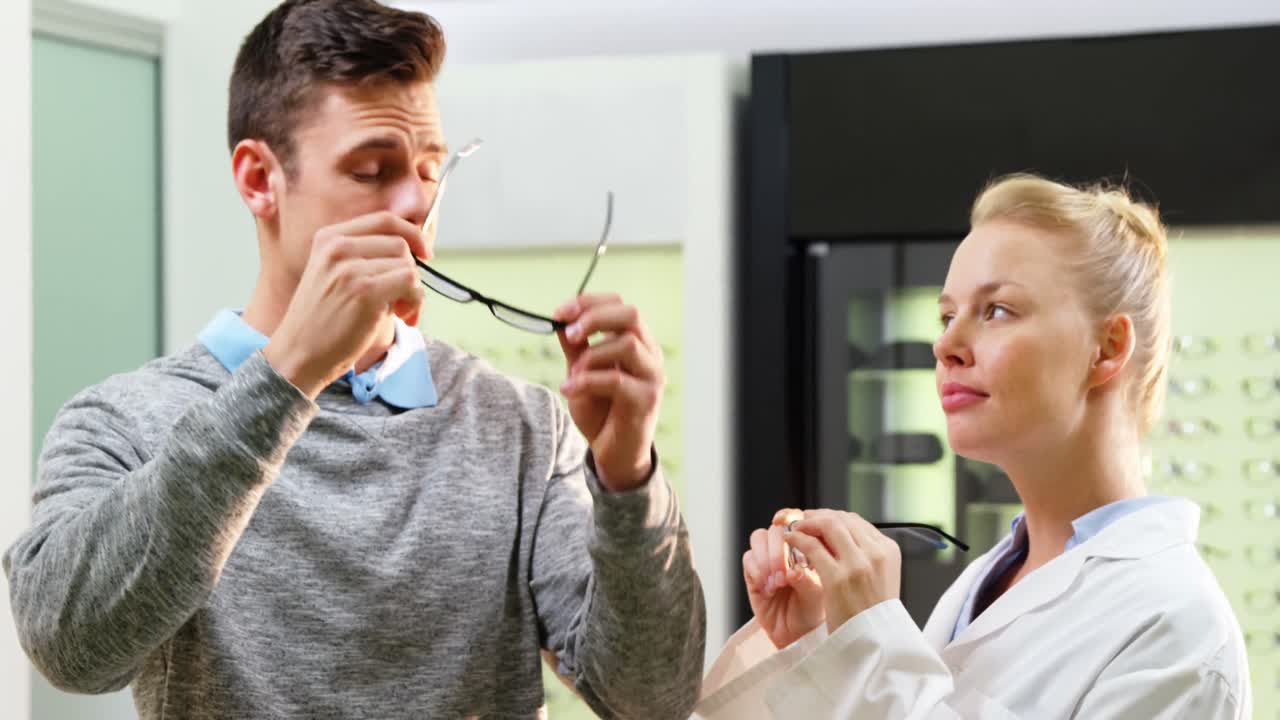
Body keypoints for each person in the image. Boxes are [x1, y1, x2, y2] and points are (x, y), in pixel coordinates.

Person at [4, 1, 705, 718]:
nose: (416, 202)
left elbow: (651, 699)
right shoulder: (121, 422)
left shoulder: (523, 427)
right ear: (259, 180)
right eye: (372, 170)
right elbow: (70, 649)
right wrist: (287, 376)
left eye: (430, 170)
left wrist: (629, 475)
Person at [696, 174, 1252, 718]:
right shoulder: (981, 584)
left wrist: (872, 650)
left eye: (997, 310)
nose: (946, 345)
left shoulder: (1179, 630)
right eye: (947, 316)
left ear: (1107, 348)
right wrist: (821, 646)